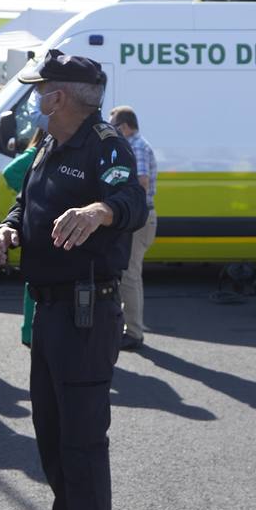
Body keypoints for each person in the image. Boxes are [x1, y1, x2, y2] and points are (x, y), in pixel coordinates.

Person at [0, 49, 147, 510]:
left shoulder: (106, 144)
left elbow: (132, 200)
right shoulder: (50, 144)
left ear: (58, 97)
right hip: (51, 308)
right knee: (53, 433)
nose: (35, 99)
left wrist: (98, 211)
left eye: (40, 91)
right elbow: (25, 202)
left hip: (85, 312)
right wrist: (9, 229)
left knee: (81, 440)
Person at [109, 105, 157, 351]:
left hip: (139, 218)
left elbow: (142, 181)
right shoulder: (138, 144)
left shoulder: (135, 146)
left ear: (124, 127)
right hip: (142, 217)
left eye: (114, 127)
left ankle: (134, 332)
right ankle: (130, 328)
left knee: (130, 275)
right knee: (130, 275)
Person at [1, 128, 47, 346]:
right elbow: (9, 172)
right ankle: (30, 331)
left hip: (38, 224)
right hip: (36, 226)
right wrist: (27, 192)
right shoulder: (37, 154)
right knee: (35, 282)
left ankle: (30, 331)